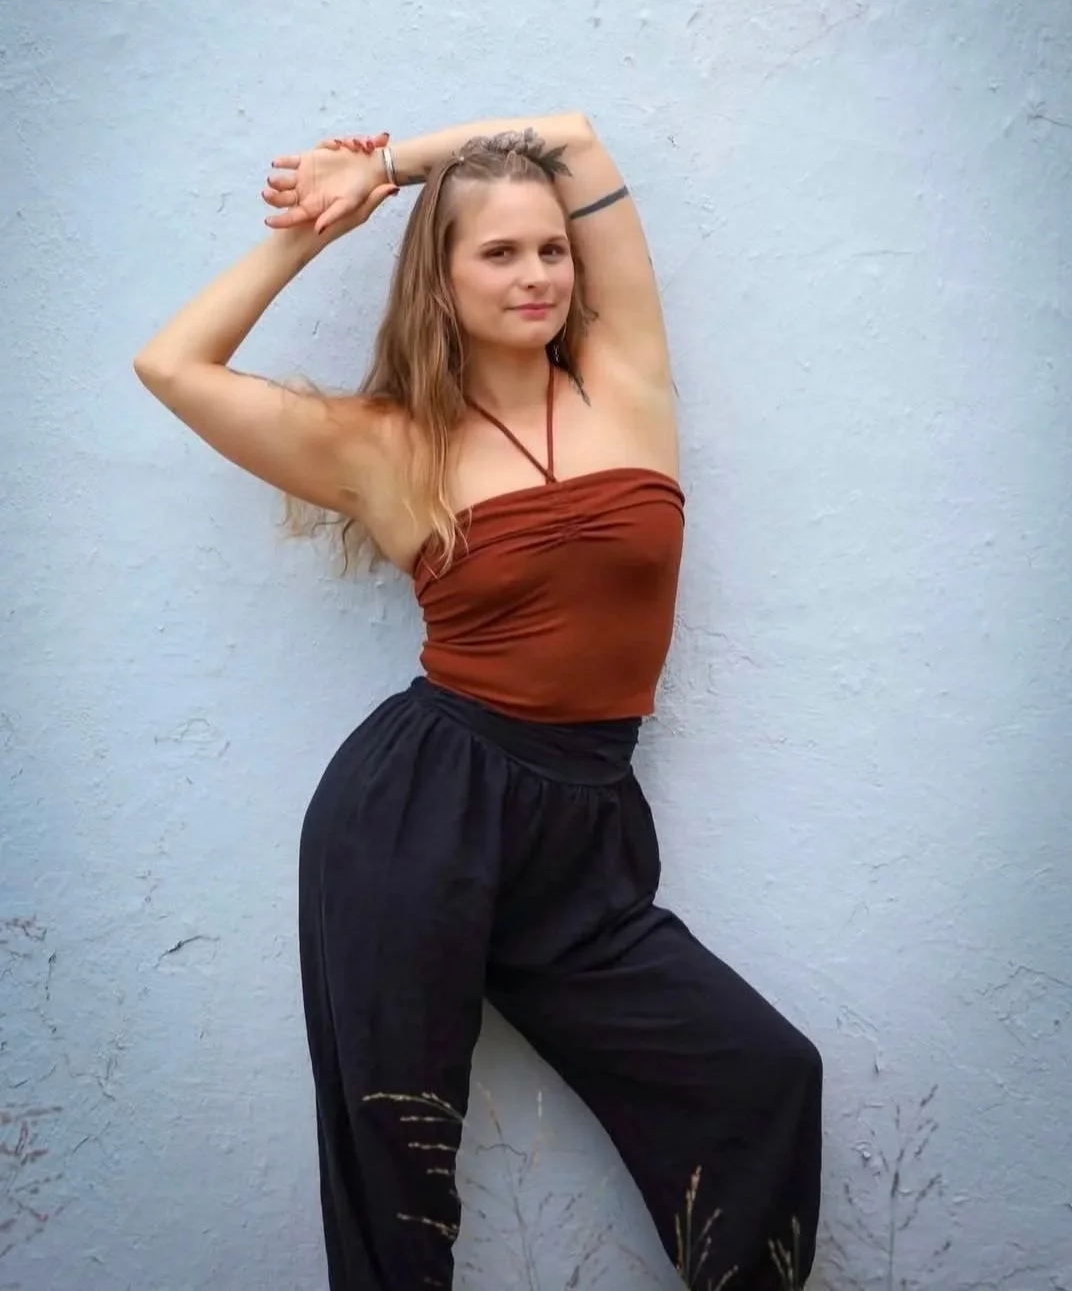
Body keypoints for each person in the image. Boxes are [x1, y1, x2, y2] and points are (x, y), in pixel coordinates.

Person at [134, 111, 823, 1291]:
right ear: (440, 279)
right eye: (498, 253)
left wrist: (394, 162)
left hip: (586, 824)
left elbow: (574, 134)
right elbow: (172, 364)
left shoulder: (624, 380)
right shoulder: (386, 446)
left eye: (551, 249)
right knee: (397, 1159)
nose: (538, 274)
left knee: (760, 1073)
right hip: (418, 814)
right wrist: (321, 219)